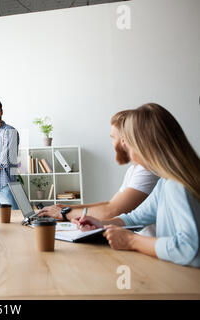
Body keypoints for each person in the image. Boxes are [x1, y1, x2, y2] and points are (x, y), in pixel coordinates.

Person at [73, 103, 200, 267]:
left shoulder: (177, 185)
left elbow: (187, 248)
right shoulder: (165, 182)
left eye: (129, 143)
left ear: (144, 145)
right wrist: (100, 224)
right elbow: (135, 217)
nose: (127, 149)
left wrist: (131, 241)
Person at [38, 110, 159, 234]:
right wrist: (67, 208)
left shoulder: (147, 170)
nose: (115, 143)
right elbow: (111, 204)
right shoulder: (135, 169)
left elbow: (113, 210)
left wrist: (63, 213)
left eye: (114, 138)